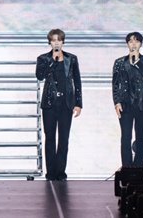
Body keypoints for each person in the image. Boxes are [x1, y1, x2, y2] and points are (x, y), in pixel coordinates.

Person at [35, 28, 82, 181]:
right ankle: (51, 172)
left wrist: (78, 103)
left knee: (63, 139)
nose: (56, 43)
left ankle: (61, 172)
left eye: (59, 40)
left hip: (66, 104)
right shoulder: (43, 58)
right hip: (49, 104)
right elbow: (39, 76)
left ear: (63, 42)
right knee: (50, 138)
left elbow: (77, 81)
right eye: (54, 40)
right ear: (50, 42)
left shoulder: (71, 59)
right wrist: (51, 62)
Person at [112, 32, 143, 167]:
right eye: (131, 41)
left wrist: (138, 62)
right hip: (125, 104)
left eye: (136, 41)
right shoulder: (119, 62)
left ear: (140, 44)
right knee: (126, 137)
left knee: (141, 138)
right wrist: (117, 102)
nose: (133, 44)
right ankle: (126, 168)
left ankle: (138, 167)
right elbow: (115, 84)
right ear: (127, 44)